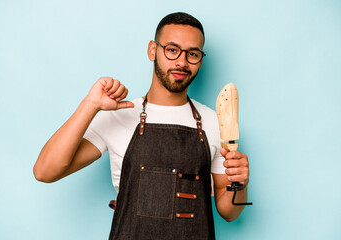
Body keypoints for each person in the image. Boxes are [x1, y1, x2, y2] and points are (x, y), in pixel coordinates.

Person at [34, 12, 250, 239]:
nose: (182, 62)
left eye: (192, 54)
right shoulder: (119, 115)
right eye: (172, 49)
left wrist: (241, 183)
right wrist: (90, 105)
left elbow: (229, 212)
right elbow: (45, 171)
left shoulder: (215, 122)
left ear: (200, 60)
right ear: (152, 50)